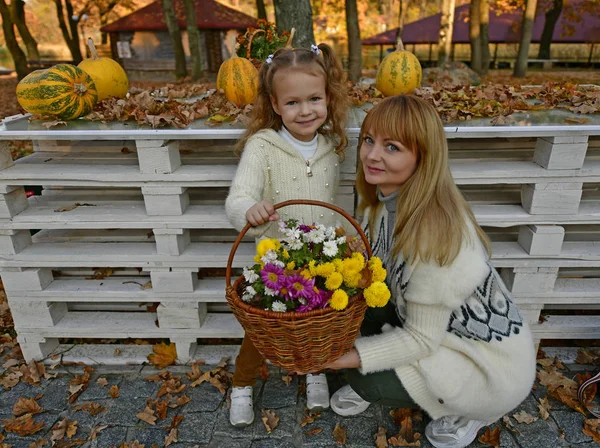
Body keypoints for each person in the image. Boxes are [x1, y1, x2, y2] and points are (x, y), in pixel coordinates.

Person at [321, 95, 537, 448]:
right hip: (437, 327)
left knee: (364, 378)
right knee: (355, 297)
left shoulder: (433, 234)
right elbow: (379, 274)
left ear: (423, 157)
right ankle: (384, 369)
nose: (372, 155)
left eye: (392, 147)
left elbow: (422, 339)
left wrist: (353, 356)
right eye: (369, 140)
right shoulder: (382, 202)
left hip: (488, 367)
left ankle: (473, 410)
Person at [224, 42, 349, 428]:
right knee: (264, 328)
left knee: (315, 322)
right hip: (277, 260)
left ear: (328, 98)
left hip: (322, 259)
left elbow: (333, 200)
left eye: (314, 99)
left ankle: (315, 372)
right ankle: (242, 383)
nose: (305, 110)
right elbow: (238, 196)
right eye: (292, 102)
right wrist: (250, 209)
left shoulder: (331, 146)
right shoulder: (264, 147)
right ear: (275, 105)